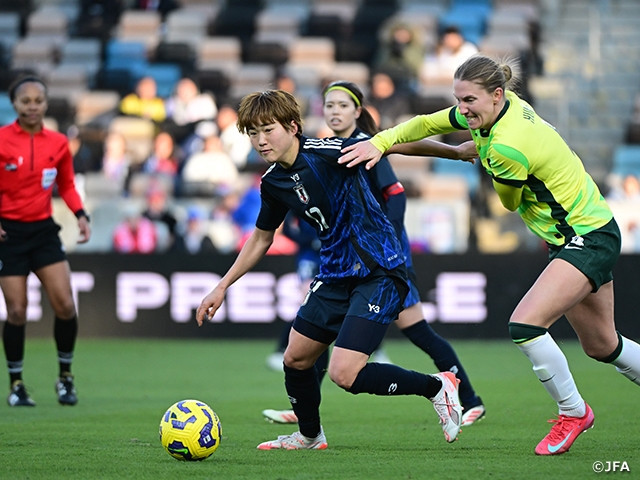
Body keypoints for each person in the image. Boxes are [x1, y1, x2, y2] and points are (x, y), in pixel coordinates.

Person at [339, 54, 640, 456]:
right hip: (587, 230)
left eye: (469, 101)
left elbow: (509, 202)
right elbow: (428, 123)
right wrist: (380, 142)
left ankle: (573, 411)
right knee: (603, 345)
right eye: (458, 100)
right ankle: (577, 405)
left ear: (497, 95)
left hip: (586, 236)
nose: (462, 110)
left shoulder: (507, 147)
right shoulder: (506, 110)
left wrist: (483, 157)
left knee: (525, 325)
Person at [196, 89, 466, 450]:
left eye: (268, 130)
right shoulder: (273, 181)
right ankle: (309, 436)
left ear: (293, 127)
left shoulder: (330, 153)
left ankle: (438, 386)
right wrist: (222, 286)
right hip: (335, 273)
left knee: (343, 373)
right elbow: (261, 239)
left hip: (380, 269)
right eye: (253, 133)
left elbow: (392, 145)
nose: (260, 141)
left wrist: (457, 153)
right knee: (295, 357)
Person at [262, 81, 485, 427]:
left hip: (382, 261)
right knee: (321, 340)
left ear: (358, 111)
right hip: (347, 266)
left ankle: (468, 399)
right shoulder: (315, 152)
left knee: (417, 332)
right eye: (329, 105)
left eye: (342, 105)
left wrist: (455, 152)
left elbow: (395, 192)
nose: (335, 111)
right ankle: (306, 412)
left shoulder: (365, 146)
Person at [0, 75, 92, 407]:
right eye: (26, 101)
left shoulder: (57, 143)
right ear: (15, 105)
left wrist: (81, 214)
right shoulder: (1, 140)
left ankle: (65, 378)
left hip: (42, 232)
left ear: (46, 103)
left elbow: (66, 185)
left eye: (38, 100)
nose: (33, 106)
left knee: (66, 305)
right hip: (8, 235)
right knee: (17, 311)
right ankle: (17, 384)